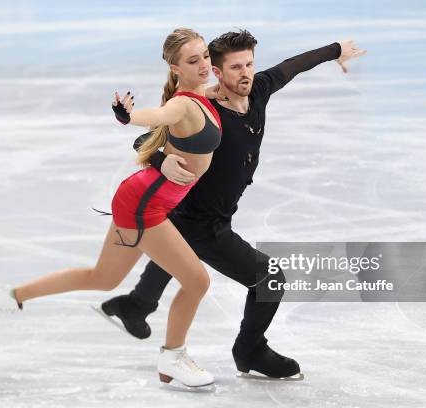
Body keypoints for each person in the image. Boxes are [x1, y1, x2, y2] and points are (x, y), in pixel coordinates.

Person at [0, 27, 223, 388]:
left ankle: (5, 296)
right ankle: (173, 357)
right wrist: (127, 116)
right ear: (176, 68)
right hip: (145, 206)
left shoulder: (203, 94)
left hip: (140, 199)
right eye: (193, 61)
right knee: (196, 281)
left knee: (103, 278)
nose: (204, 65)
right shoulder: (181, 103)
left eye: (206, 56)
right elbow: (155, 116)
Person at [99, 30, 366, 380]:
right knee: (269, 277)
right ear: (217, 72)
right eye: (235, 67)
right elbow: (146, 135)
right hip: (203, 221)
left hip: (196, 215)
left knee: (180, 251)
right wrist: (161, 160)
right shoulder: (204, 111)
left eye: (250, 64)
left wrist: (336, 50)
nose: (245, 73)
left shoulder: (258, 90)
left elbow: (293, 65)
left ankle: (135, 305)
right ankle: (249, 349)